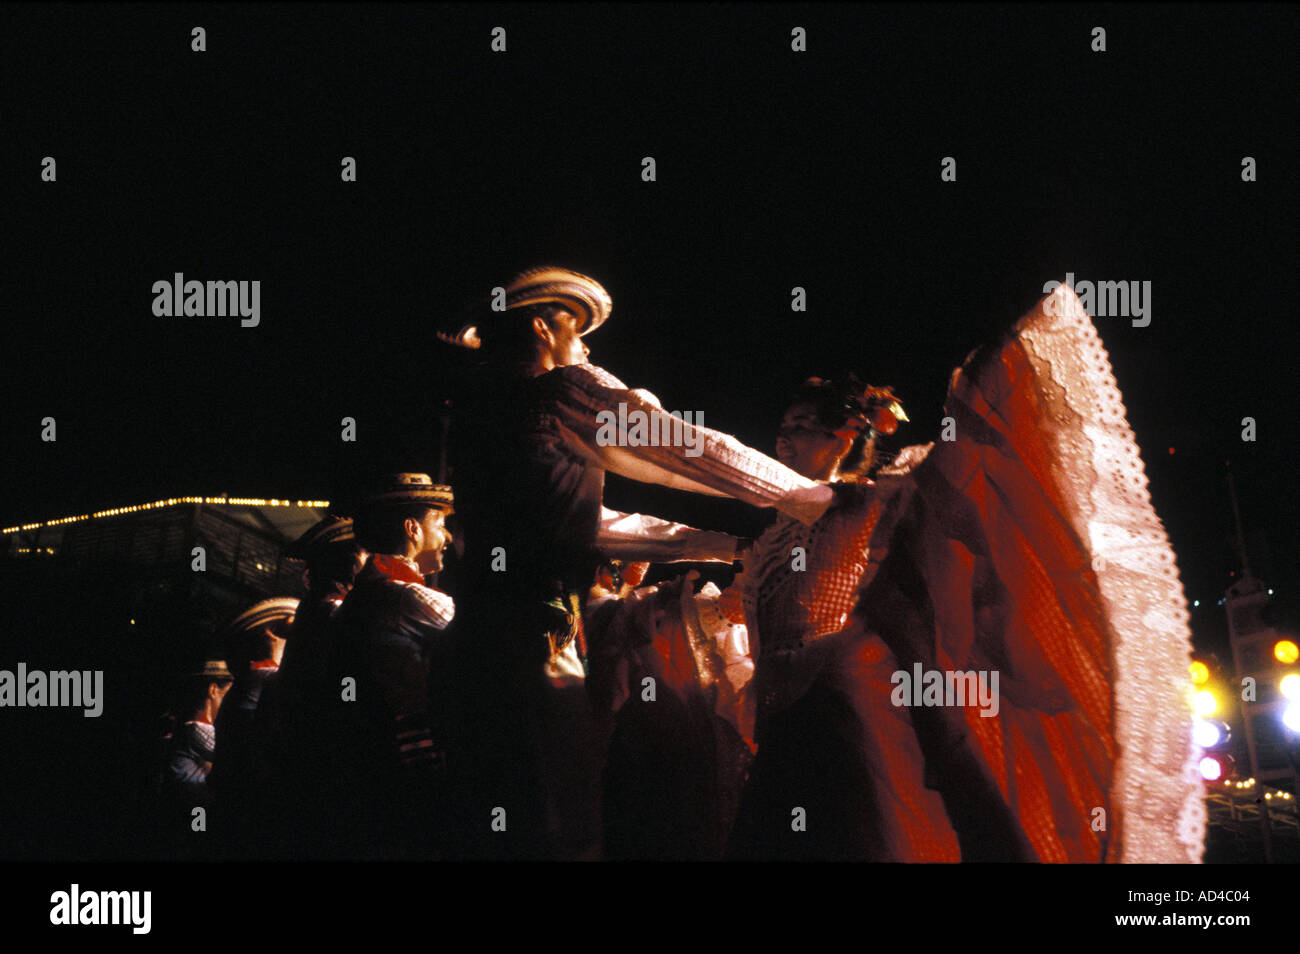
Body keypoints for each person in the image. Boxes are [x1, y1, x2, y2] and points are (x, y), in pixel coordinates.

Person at [443, 266, 833, 859]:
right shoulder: (560, 393)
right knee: (560, 825)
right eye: (577, 330)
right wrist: (816, 501)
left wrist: (721, 546)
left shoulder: (477, 415)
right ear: (543, 326)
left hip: (471, 643)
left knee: (498, 819)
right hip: (535, 644)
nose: (586, 345)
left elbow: (586, 526)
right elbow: (687, 446)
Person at [326, 473, 456, 859]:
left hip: (372, 753)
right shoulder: (403, 596)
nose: (447, 537)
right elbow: (478, 636)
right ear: (412, 529)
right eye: (441, 523)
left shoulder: (369, 593)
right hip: (407, 756)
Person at [207, 597, 298, 854]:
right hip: (252, 808)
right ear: (274, 634)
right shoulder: (267, 678)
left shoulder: (246, 683)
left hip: (232, 804)